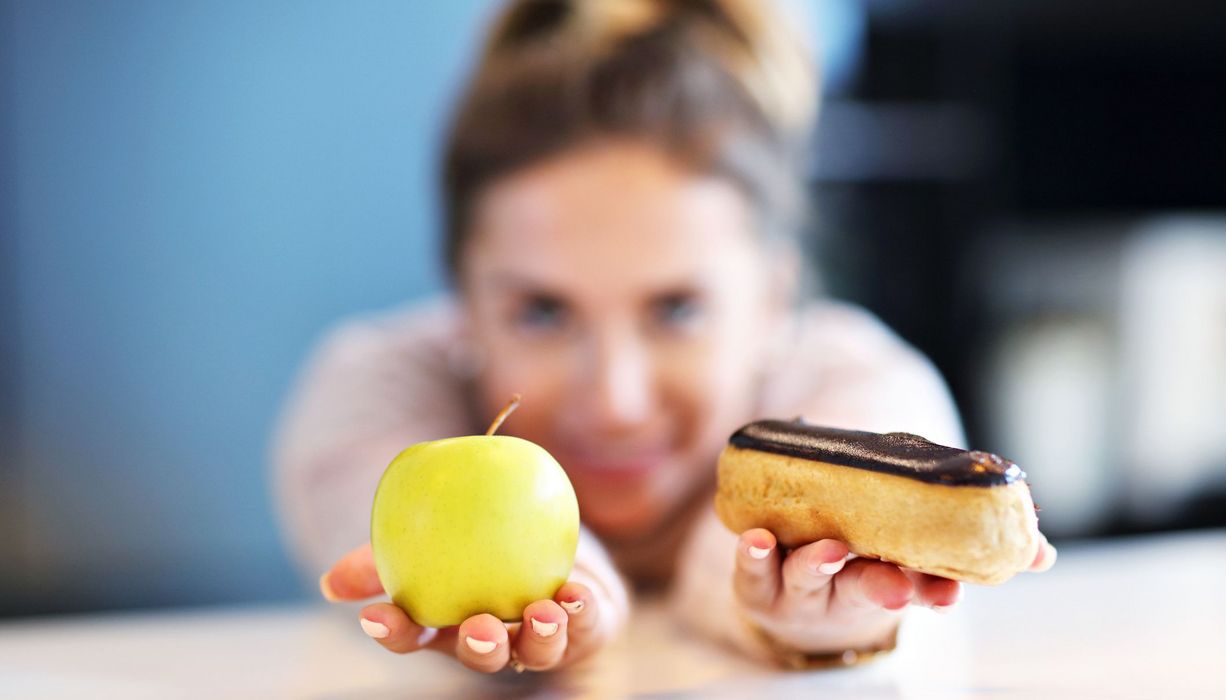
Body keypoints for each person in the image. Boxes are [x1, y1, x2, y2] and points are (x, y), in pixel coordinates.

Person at [273, 0, 1055, 675]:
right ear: (462, 305)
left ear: (774, 302)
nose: (614, 400)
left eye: (677, 309)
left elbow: (758, 565)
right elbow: (356, 501)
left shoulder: (852, 382)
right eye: (542, 312)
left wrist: (815, 616)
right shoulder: (375, 381)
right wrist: (550, 579)